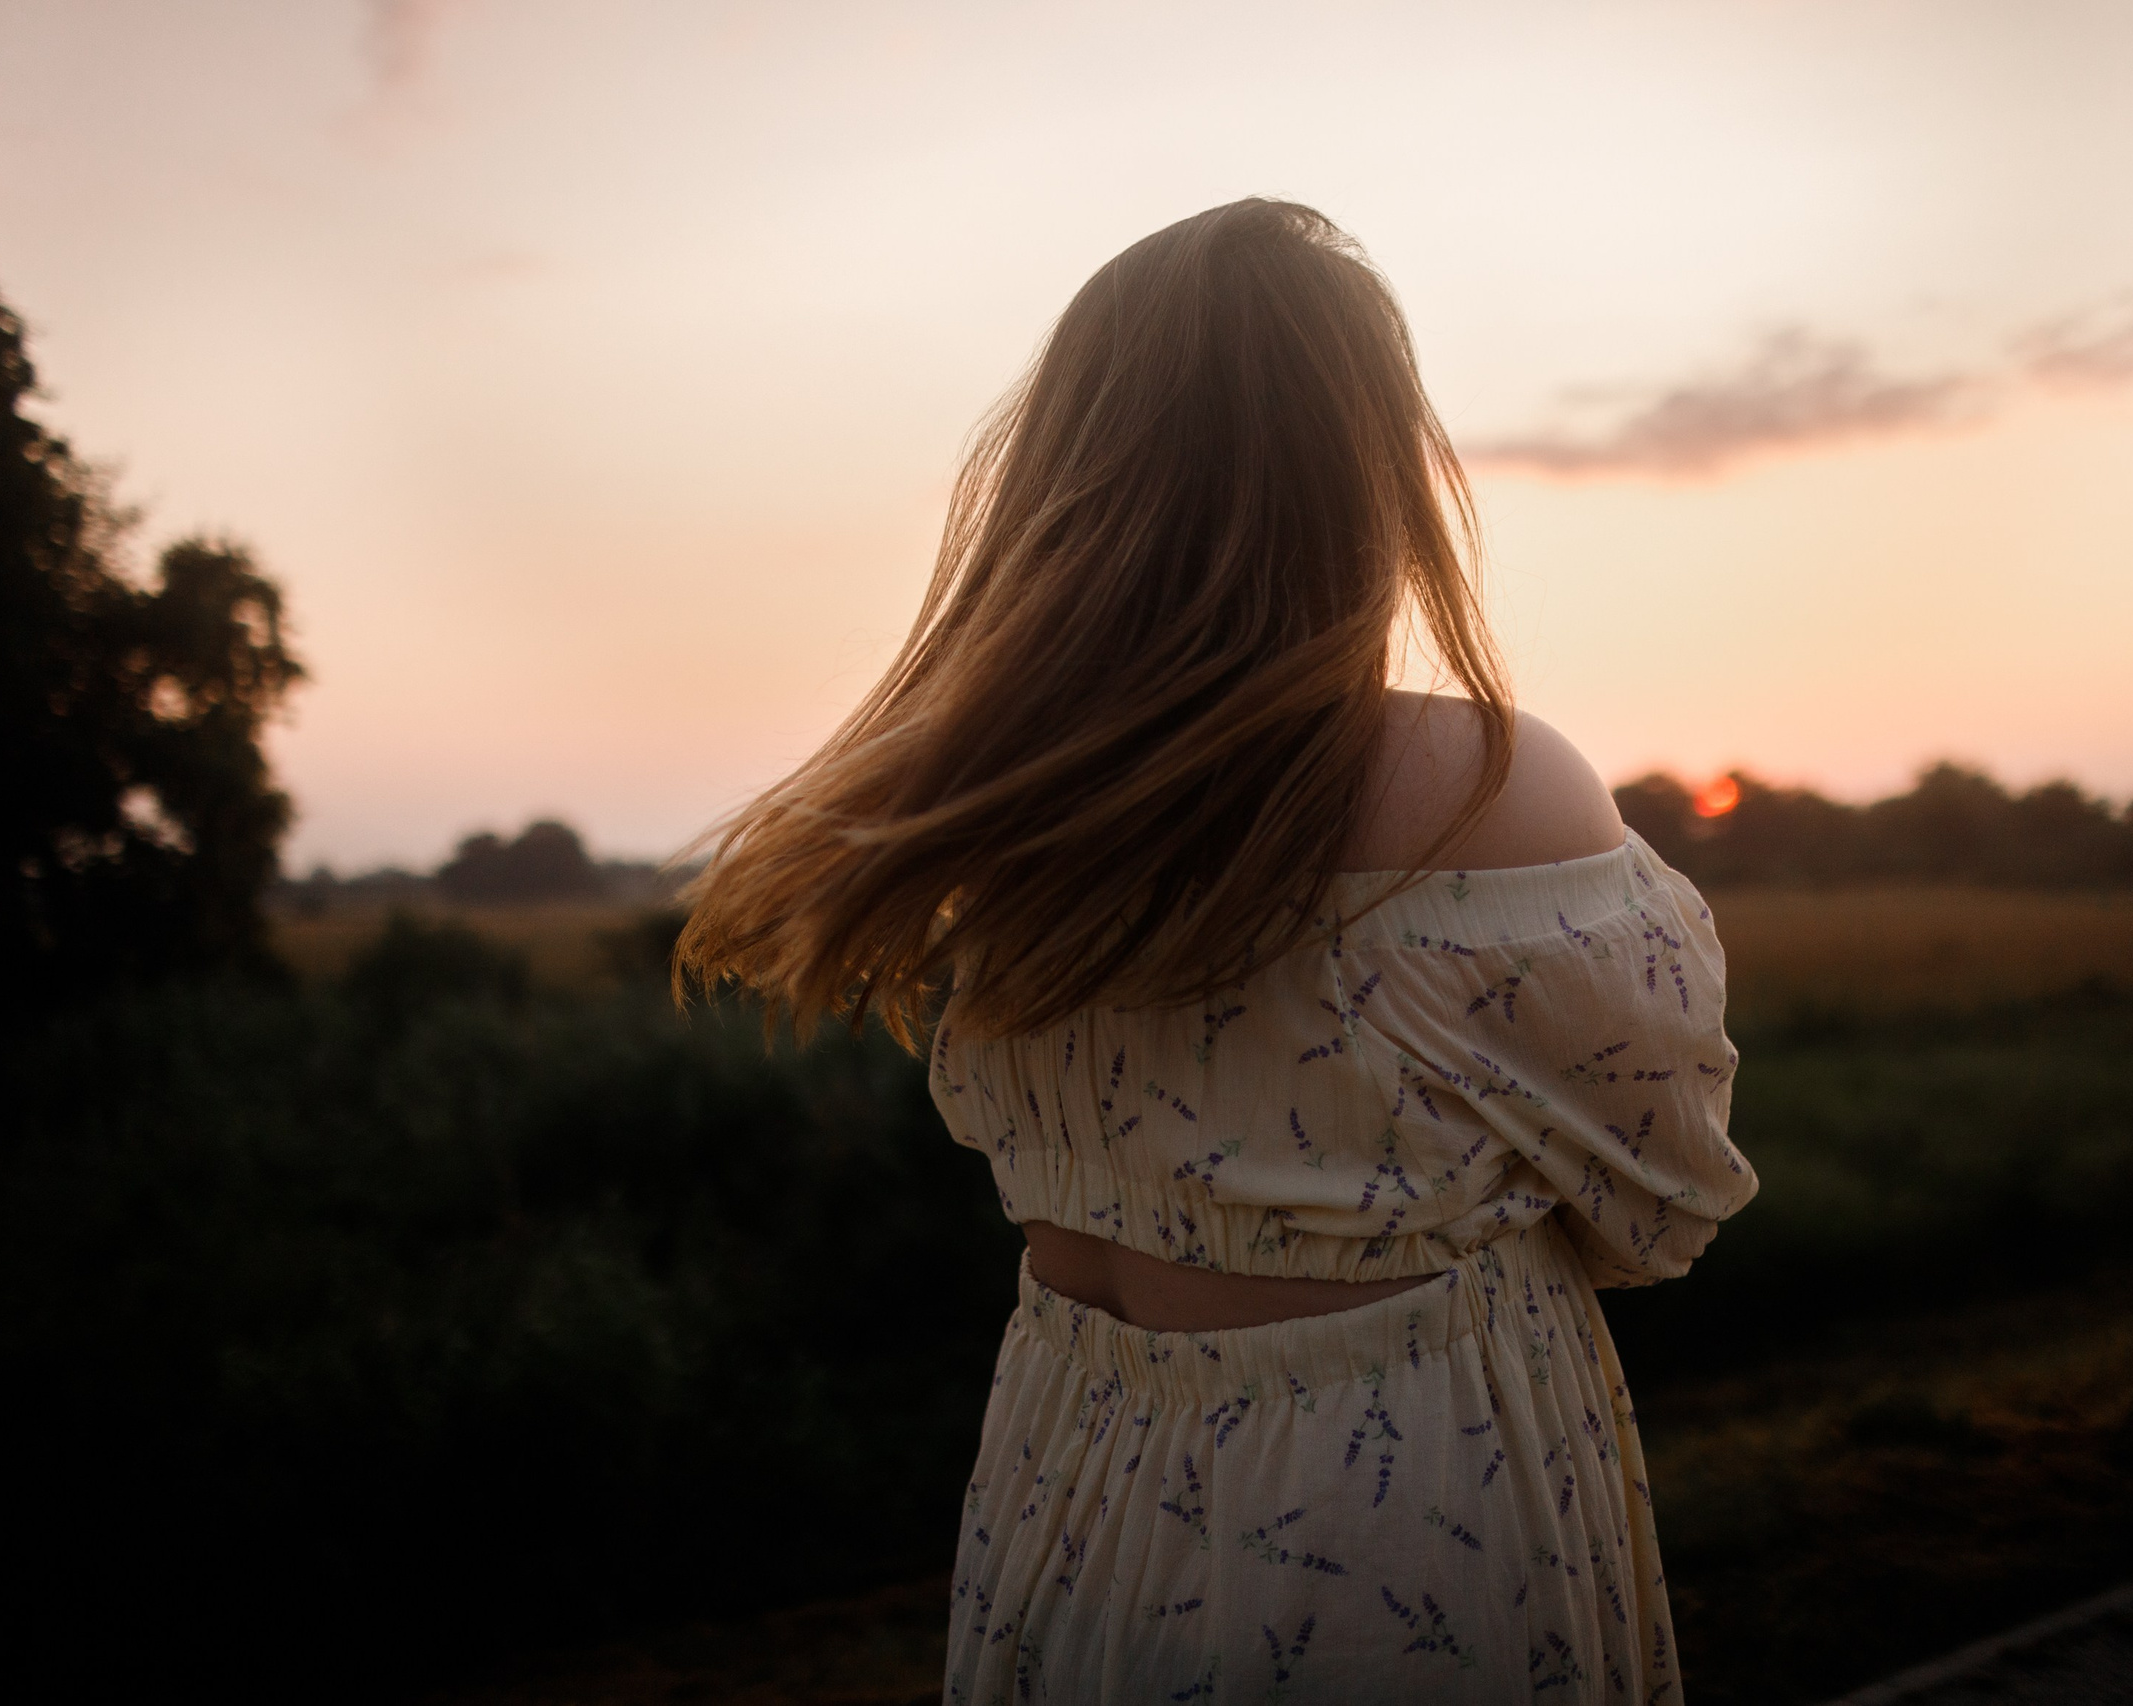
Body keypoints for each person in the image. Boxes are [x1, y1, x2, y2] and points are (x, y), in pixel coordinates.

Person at [676, 199, 1756, 1704]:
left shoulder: (1002, 815)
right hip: (1393, 1509)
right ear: (1371, 478)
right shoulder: (1492, 795)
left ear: (1070, 478)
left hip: (1071, 1484)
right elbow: (1670, 1205)